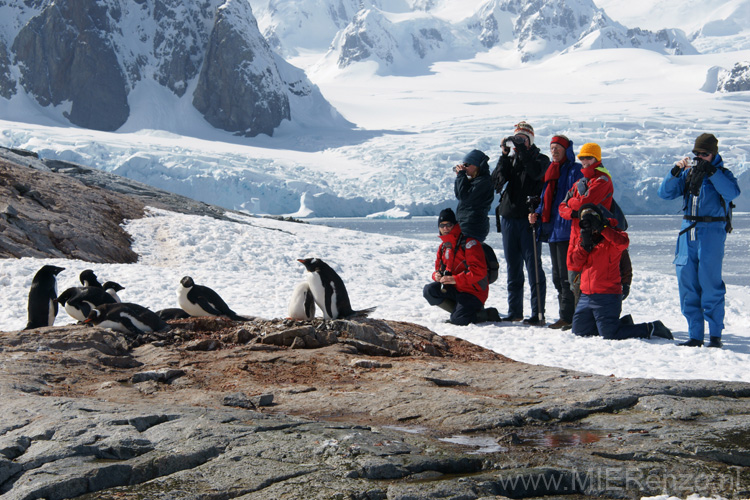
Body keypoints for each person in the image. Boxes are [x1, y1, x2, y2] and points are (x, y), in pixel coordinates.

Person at [657, 133, 741, 348]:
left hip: (712, 231)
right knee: (687, 284)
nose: (700, 157)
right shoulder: (688, 174)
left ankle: (715, 336)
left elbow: (732, 192)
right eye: (697, 153)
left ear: (714, 154)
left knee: (710, 284)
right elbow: (665, 194)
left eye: (705, 154)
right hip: (688, 232)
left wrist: (712, 173)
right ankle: (695, 336)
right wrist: (674, 172)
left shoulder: (722, 173)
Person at [570, 204, 673, 341]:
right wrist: (584, 246)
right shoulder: (584, 240)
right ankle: (620, 324)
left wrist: (602, 228)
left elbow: (623, 243)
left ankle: (651, 327)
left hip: (607, 295)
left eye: (591, 218)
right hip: (586, 296)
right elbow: (575, 264)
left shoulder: (612, 235)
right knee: (579, 332)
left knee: (610, 335)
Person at [491, 121, 549, 324]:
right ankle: (515, 311)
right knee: (513, 267)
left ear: (530, 140)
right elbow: (496, 181)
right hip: (508, 218)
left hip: (528, 220)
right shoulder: (512, 160)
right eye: (516, 138)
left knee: (533, 267)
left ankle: (538, 313)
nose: (518, 142)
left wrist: (523, 151)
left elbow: (536, 173)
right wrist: (505, 155)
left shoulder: (541, 159)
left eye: (523, 138)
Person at [529, 135, 583, 329]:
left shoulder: (575, 171)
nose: (554, 151)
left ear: (566, 150)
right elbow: (545, 201)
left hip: (569, 231)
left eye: (558, 147)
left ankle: (570, 317)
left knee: (567, 277)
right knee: (557, 277)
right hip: (553, 231)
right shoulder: (552, 171)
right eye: (552, 148)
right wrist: (535, 213)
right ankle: (566, 315)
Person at [558, 143, 614, 306]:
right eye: (582, 158)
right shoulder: (580, 183)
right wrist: (574, 212)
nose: (585, 161)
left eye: (588, 158)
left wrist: (573, 204)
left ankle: (590, 322)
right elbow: (562, 207)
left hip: (595, 237)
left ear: (596, 158)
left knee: (591, 281)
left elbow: (586, 202)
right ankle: (578, 321)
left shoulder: (602, 180)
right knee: (574, 280)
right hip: (576, 237)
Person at [423, 208, 499, 325]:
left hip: (473, 292)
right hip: (455, 289)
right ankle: (460, 311)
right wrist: (436, 276)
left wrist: (455, 279)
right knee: (429, 291)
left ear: (455, 225)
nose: (445, 228)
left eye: (449, 224)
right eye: (442, 225)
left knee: (459, 320)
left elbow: (478, 272)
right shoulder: (443, 247)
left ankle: (486, 313)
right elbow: (438, 268)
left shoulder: (469, 244)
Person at [454, 149, 494, 242]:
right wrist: (460, 177)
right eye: (463, 165)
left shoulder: (484, 182)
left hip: (473, 227)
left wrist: (461, 176)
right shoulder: (474, 181)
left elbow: (465, 198)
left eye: (467, 165)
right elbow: (459, 195)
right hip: (465, 225)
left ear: (476, 166)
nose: (464, 167)